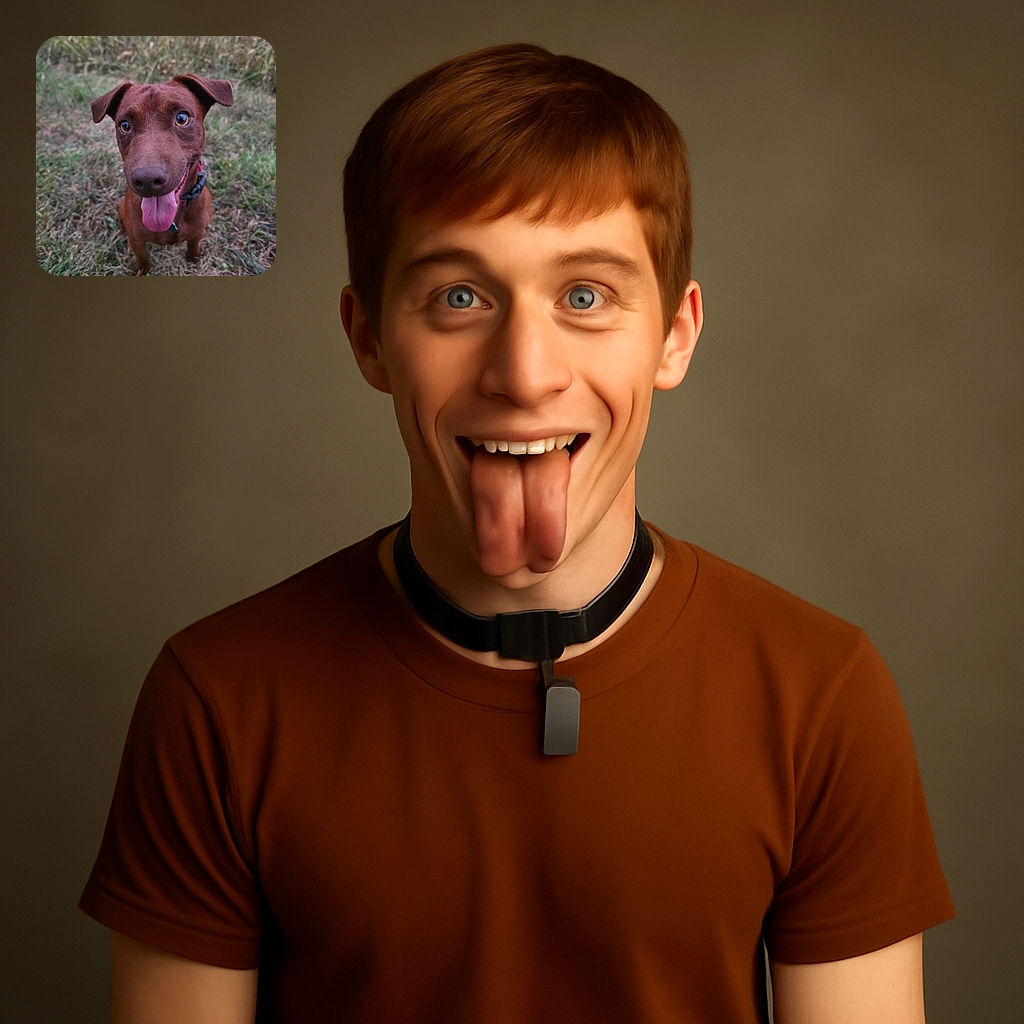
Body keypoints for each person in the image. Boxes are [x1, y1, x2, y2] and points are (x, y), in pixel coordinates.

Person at [80, 43, 954, 1022]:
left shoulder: (819, 692)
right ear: (368, 337)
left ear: (674, 334)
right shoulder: (219, 701)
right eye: (459, 296)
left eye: (585, 296)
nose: (525, 371)